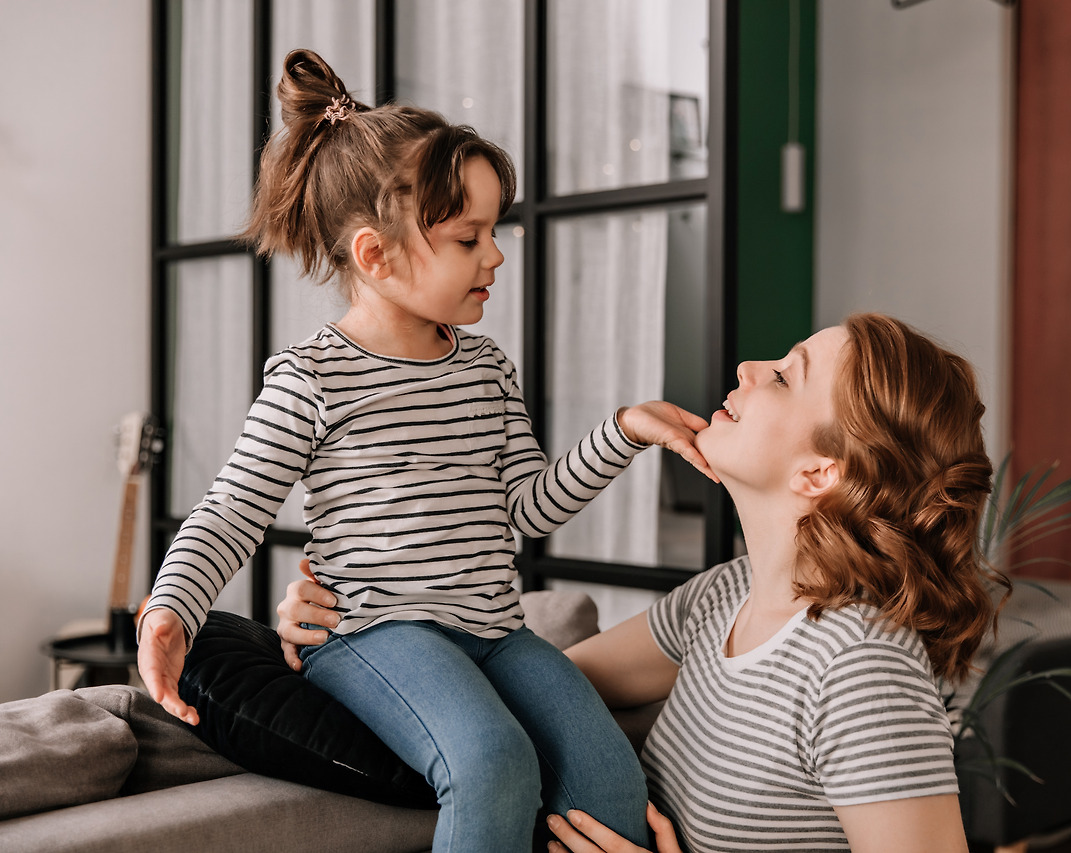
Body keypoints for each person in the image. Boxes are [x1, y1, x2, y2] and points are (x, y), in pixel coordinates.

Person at [137, 48, 716, 853]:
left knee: (612, 780)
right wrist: (170, 605)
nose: (496, 255)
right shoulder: (312, 377)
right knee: (490, 759)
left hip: (496, 630)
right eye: (468, 237)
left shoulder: (484, 366)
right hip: (374, 634)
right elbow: (233, 508)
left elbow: (528, 504)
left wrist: (623, 431)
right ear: (375, 256)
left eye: (495, 232)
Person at [279, 312, 1009, 853]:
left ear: (820, 472)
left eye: (784, 376)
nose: (750, 368)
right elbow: (526, 688)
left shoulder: (860, 667)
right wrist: (354, 621)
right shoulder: (723, 596)